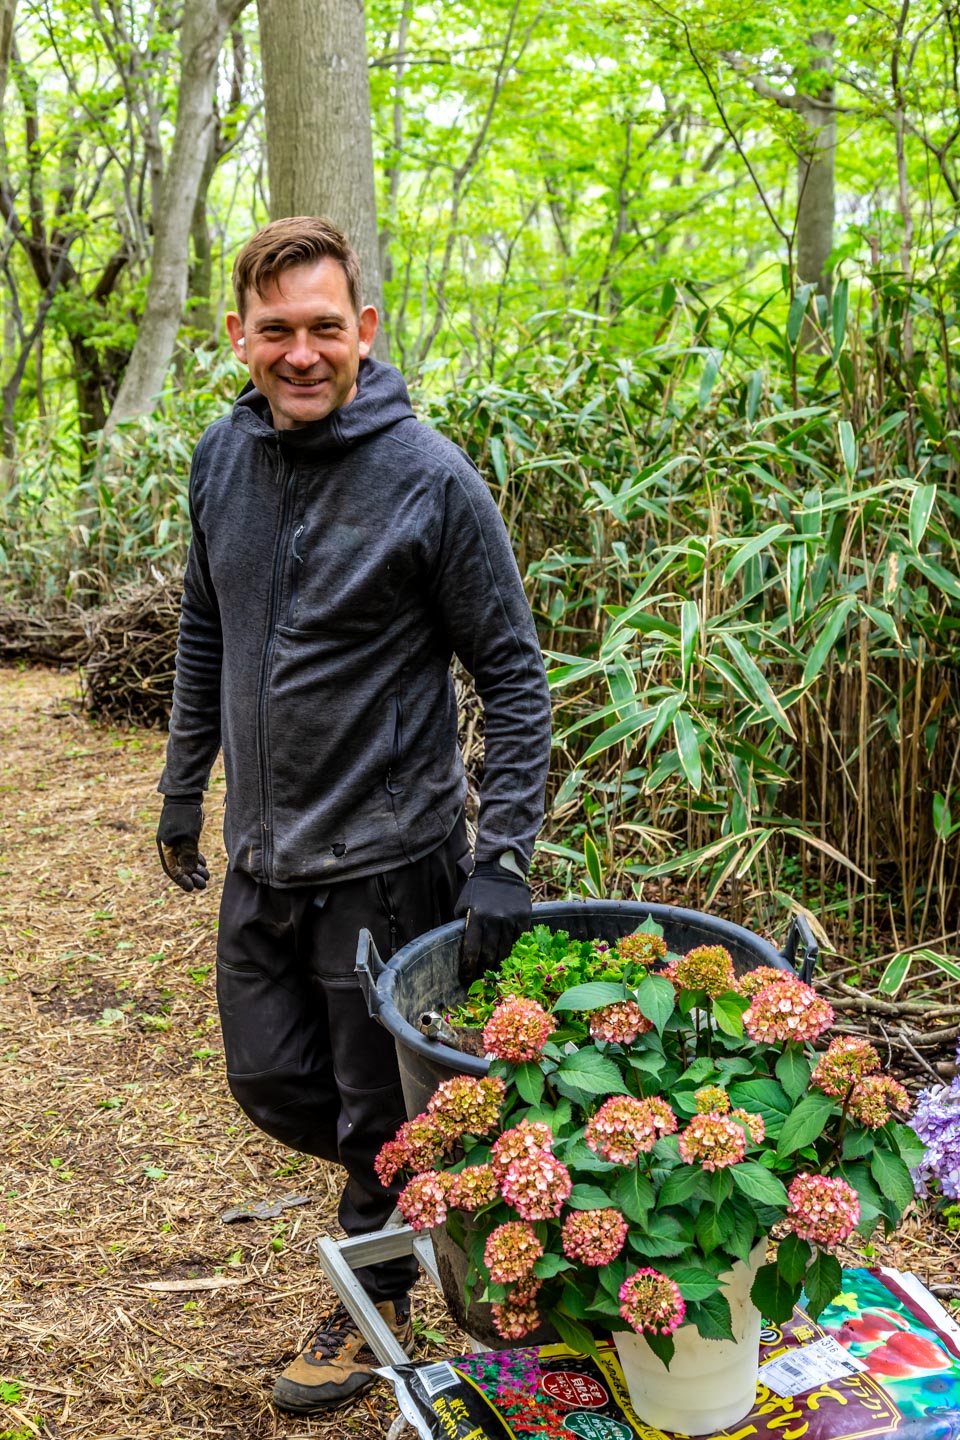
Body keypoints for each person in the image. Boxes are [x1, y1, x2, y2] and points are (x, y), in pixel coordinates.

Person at [155, 216, 552, 1414]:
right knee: (270, 1079)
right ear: (239, 336)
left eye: (326, 327)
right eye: (276, 330)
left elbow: (515, 675)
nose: (301, 351)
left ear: (364, 332)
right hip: (266, 852)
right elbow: (205, 627)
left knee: (378, 1106)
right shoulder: (221, 458)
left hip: (391, 862)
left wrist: (505, 858)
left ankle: (372, 1289)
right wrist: (185, 788)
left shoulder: (429, 477)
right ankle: (440, 1179)